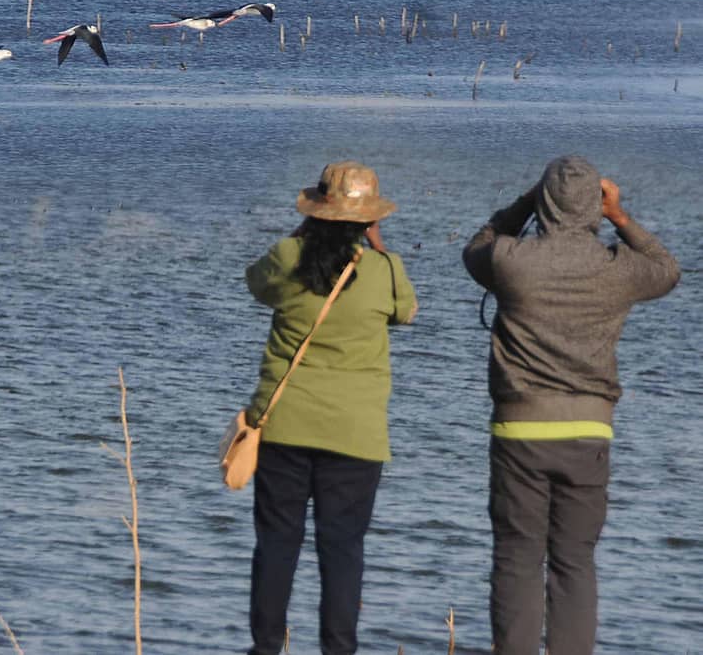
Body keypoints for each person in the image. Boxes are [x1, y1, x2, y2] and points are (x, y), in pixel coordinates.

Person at [461, 155, 680, 655]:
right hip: (589, 434)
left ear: (544, 203)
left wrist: (523, 203)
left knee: (517, 560)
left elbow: (478, 245)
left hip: (519, 432)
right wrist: (621, 218)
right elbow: (667, 270)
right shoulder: (616, 268)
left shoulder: (510, 261)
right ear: (593, 208)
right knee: (574, 563)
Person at [244, 161, 418, 655]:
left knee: (277, 544)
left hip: (283, 425)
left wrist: (300, 235)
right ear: (369, 220)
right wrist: (379, 248)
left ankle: (266, 648)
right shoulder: (384, 270)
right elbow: (407, 311)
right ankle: (338, 649)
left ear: (316, 211)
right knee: (341, 549)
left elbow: (255, 284)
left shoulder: (287, 255)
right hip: (356, 435)